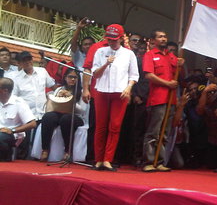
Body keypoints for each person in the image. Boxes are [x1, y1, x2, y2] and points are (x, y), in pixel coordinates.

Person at [91, 24, 139, 171]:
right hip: (102, 91)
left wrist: (129, 87)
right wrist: (106, 63)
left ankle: (108, 159)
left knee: (115, 126)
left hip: (120, 92)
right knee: (100, 126)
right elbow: (95, 73)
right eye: (110, 39)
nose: (112, 42)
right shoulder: (100, 51)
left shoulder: (129, 54)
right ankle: (98, 159)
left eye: (115, 40)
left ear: (121, 39)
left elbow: (134, 75)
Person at [141, 29, 184, 172]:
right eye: (160, 37)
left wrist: (180, 63)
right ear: (153, 41)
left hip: (171, 99)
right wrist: (167, 84)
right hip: (158, 98)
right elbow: (149, 76)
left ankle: (159, 161)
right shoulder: (150, 55)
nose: (164, 39)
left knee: (165, 132)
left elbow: (179, 73)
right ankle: (149, 161)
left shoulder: (171, 56)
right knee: (154, 131)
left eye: (165, 36)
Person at [40, 69, 86, 162]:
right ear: (65, 78)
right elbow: (54, 105)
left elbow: (82, 110)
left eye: (75, 77)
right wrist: (59, 98)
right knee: (47, 117)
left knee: (66, 119)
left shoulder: (81, 91)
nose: (72, 79)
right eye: (70, 77)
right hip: (59, 112)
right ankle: (45, 149)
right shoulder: (59, 89)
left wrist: (71, 99)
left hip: (76, 116)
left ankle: (68, 151)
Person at [0, 78, 37, 161]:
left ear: (5, 90)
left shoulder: (19, 103)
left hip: (11, 134)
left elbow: (32, 123)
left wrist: (12, 130)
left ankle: (6, 158)